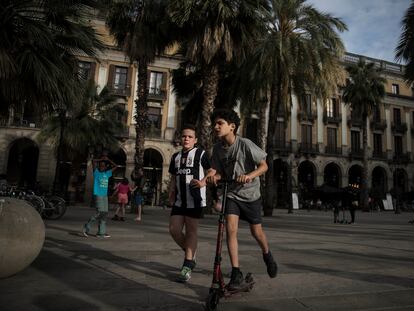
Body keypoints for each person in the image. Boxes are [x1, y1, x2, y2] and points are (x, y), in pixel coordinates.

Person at [206, 108, 277, 291]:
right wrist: (211, 176)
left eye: (220, 123)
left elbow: (264, 166)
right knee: (230, 230)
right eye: (215, 123)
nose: (216, 127)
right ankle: (236, 272)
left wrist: (249, 176)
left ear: (232, 127)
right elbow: (216, 170)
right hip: (231, 194)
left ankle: (267, 254)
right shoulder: (217, 148)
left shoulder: (245, 144)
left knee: (257, 232)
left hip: (251, 195)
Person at [168, 124, 215, 282]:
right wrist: (171, 193)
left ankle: (187, 266)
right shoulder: (175, 157)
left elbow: (212, 171)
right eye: (184, 136)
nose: (186, 138)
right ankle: (191, 253)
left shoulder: (200, 154)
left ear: (195, 140)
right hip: (179, 201)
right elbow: (174, 178)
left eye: (189, 137)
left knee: (191, 232)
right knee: (174, 230)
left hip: (195, 200)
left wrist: (203, 182)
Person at [83, 156, 118, 238]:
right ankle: (86, 227)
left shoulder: (107, 173)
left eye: (103, 166)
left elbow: (116, 166)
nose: (102, 167)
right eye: (100, 165)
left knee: (105, 213)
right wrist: (102, 159)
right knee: (100, 212)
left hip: (104, 196)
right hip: (98, 195)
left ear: (105, 167)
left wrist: (109, 160)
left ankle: (101, 232)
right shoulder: (96, 173)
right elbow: (93, 161)